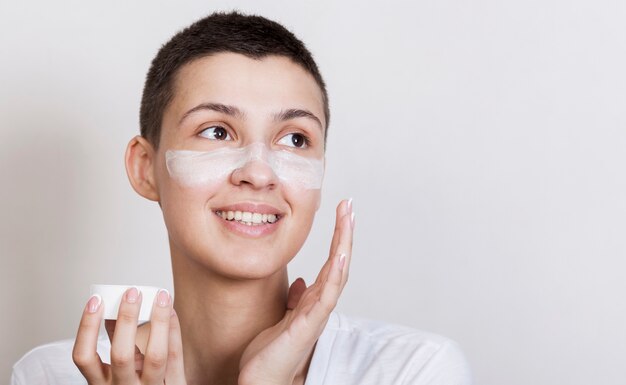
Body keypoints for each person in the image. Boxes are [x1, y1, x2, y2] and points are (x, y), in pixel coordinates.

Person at [11, 11, 472, 385]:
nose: (259, 172)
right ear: (144, 168)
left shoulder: (412, 371)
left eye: (294, 140)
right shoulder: (54, 375)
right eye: (217, 131)